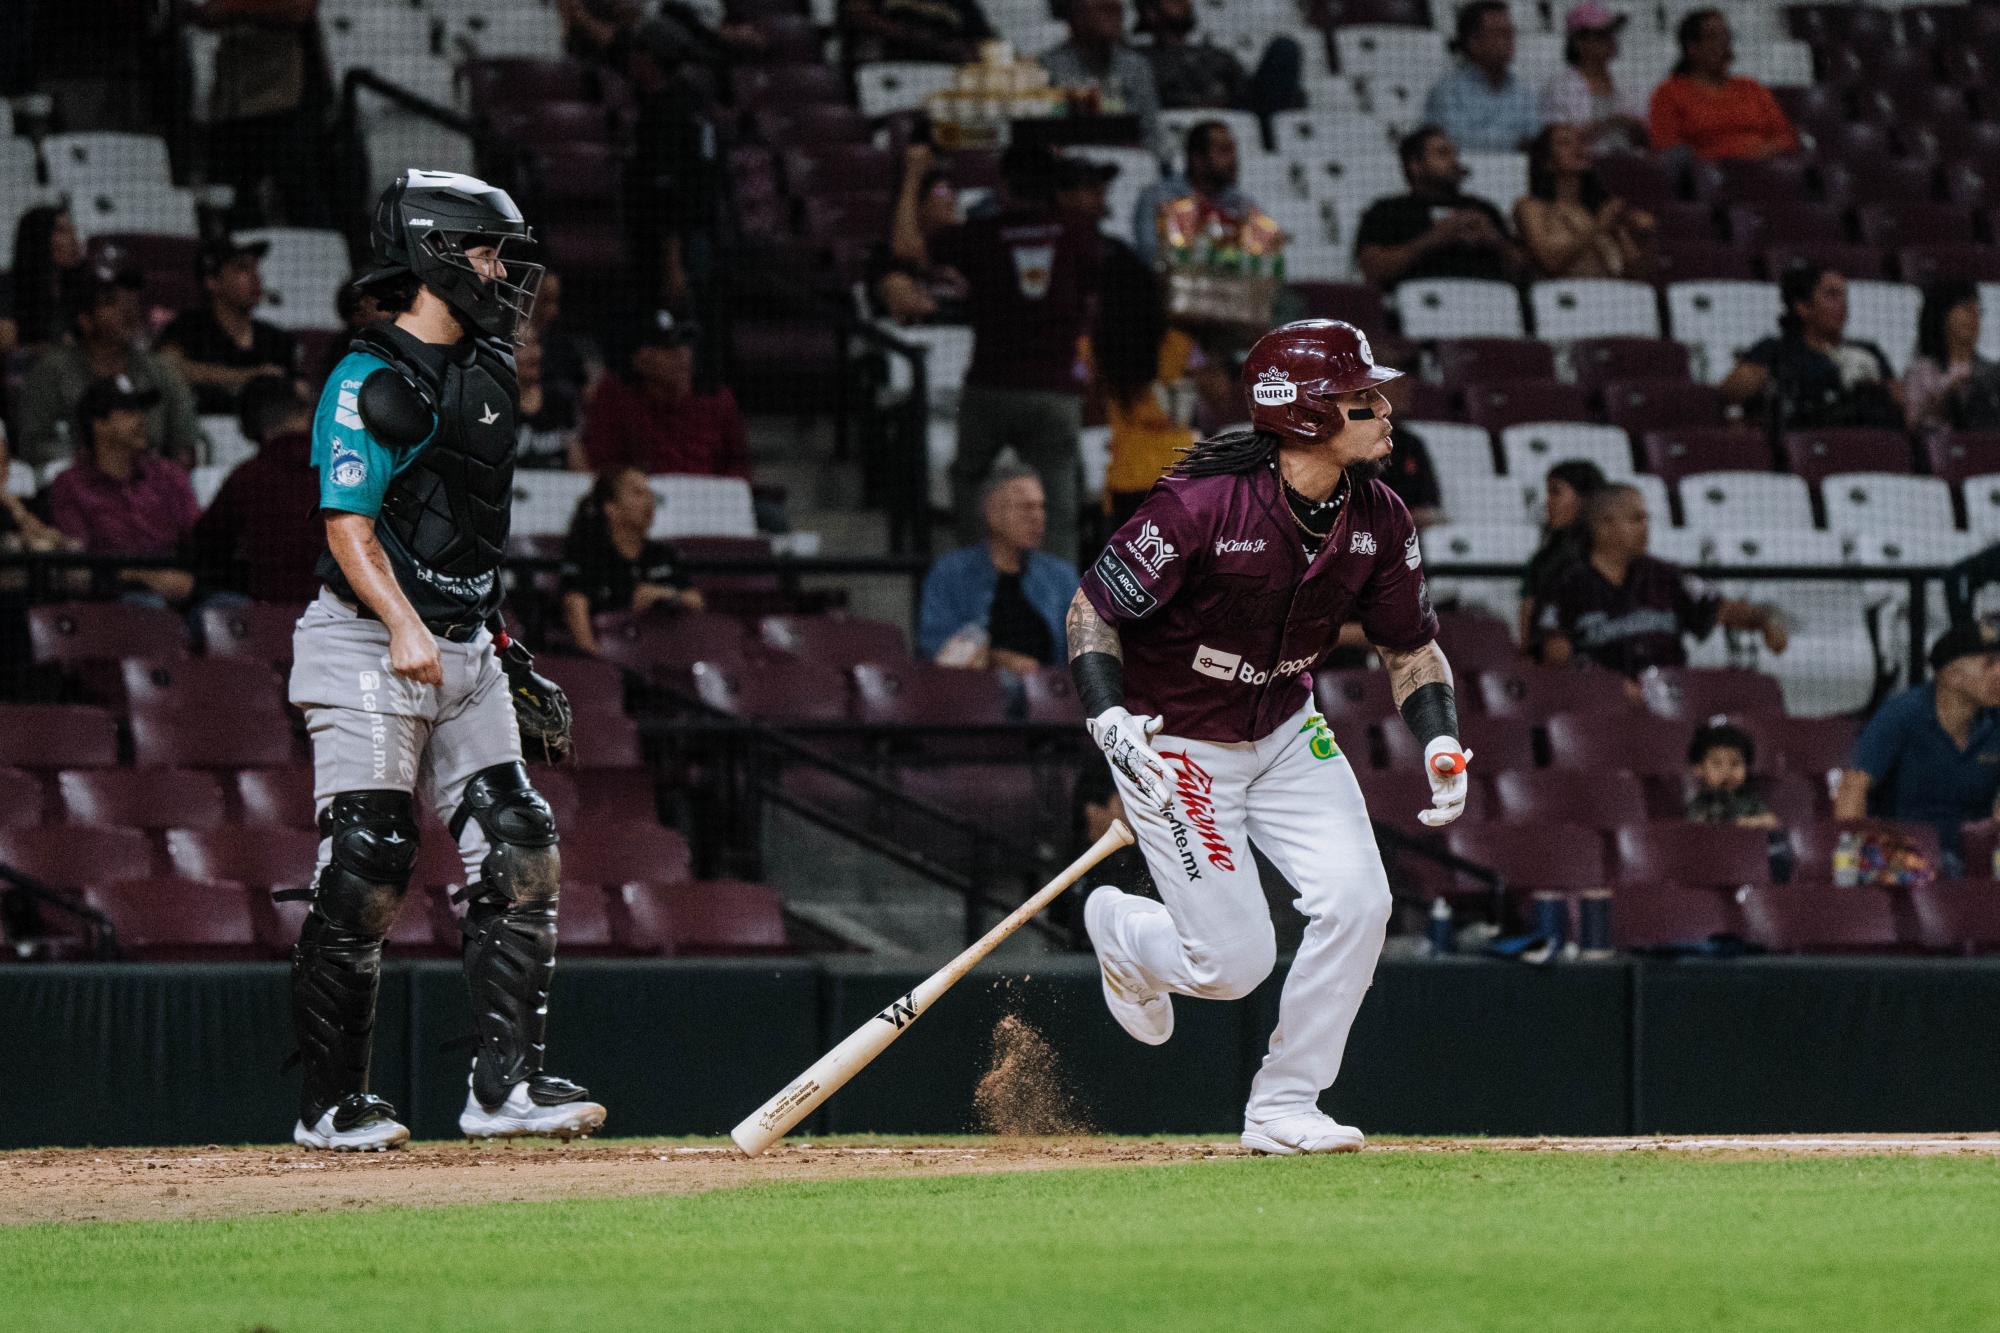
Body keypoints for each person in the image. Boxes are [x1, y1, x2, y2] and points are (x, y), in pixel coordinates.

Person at [1067, 319, 1468, 1155]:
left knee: (1362, 902)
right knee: (1231, 966)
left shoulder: (1380, 516)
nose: (1386, 408)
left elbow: (1410, 645)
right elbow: (1092, 610)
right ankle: (1120, 928)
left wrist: (1439, 739)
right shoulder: (1199, 504)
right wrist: (1107, 715)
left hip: (1288, 729)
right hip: (1174, 743)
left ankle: (1285, 1103)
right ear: (1312, 415)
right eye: (1366, 397)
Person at [287, 168, 602, 1151]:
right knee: (371, 859)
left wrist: (500, 646)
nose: (501, 271)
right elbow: (348, 528)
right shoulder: (367, 377)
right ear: (429, 255)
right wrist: (404, 625)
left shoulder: (490, 373)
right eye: (483, 251)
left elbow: (463, 538)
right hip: (363, 644)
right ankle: (330, 1106)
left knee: (520, 838)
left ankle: (502, 1091)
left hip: (463, 644)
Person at [908, 141, 1100, 563]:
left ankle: (981, 574)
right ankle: (1057, 599)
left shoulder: (983, 235)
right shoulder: (1077, 233)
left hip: (991, 387)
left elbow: (912, 250)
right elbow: (1095, 298)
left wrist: (912, 177)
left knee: (970, 477)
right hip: (1054, 389)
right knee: (1058, 498)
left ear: (1004, 185)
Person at [1539, 483, 1787, 677]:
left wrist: (1765, 621)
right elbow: (1556, 656)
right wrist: (1610, 688)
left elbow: (1724, 608)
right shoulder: (1568, 585)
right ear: (1605, 527)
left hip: (1670, 698)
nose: (1646, 527)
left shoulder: (1668, 576)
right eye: (1637, 519)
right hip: (1604, 709)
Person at [1087, 245, 1234, 523]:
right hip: (1180, 474)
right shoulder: (1178, 345)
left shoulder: (1097, 351)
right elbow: (1220, 395)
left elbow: (1088, 402)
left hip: (1125, 477)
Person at [1836, 621, 2000, 858]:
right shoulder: (1901, 715)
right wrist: (1857, 860)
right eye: (1990, 664)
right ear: (1954, 677)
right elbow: (1853, 786)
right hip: (1907, 858)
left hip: (1975, 858)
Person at [15, 265, 202, 466]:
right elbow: (32, 443)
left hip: (150, 485)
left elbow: (186, 442)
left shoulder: (159, 369)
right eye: (110, 303)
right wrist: (103, 460)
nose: (127, 310)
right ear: (85, 320)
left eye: (130, 299)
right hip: (76, 484)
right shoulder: (52, 371)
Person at [46, 374, 202, 606]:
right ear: (99, 424)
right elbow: (79, 567)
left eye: (141, 411)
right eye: (129, 412)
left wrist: (191, 575)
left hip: (181, 587)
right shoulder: (71, 486)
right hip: (114, 597)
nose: (141, 419)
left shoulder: (168, 474)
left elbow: (200, 535)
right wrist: (146, 577)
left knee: (232, 608)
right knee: (148, 607)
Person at [918, 463, 1078, 670]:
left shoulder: (1060, 577)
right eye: (1025, 507)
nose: (1038, 517)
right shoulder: (952, 572)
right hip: (976, 692)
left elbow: (1083, 653)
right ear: (992, 513)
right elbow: (934, 646)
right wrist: (998, 660)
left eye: (1041, 507)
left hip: (1048, 694)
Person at [192, 0, 332, 227]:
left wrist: (232, 8)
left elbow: (299, 9)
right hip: (233, 103)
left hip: (283, 100)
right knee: (231, 208)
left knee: (301, 202)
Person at [187, 375, 322, 605]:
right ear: (305, 414)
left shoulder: (248, 478)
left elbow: (204, 547)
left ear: (249, 428)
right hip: (347, 615)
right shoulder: (345, 469)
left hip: (272, 618)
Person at [1721, 265, 1903, 432]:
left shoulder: (1867, 351)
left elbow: (1899, 400)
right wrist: (1761, 376)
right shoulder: (1776, 349)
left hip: (1866, 436)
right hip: (1808, 435)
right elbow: (1731, 391)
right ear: (1802, 307)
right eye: (1831, 295)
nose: (1842, 304)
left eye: (1843, 296)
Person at [580, 309, 750, 478]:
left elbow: (740, 467)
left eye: (685, 344)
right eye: (667, 347)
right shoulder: (617, 398)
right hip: (643, 499)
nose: (681, 354)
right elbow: (603, 466)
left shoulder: (716, 398)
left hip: (708, 500)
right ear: (640, 359)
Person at [1354, 126, 1521, 290]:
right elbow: (1372, 269)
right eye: (1442, 153)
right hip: (1421, 307)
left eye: (1454, 153)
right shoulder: (1388, 211)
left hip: (1487, 305)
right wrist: (1434, 238)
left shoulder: (1482, 209)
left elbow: (1524, 272)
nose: (1454, 160)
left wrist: (1495, 241)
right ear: (1416, 166)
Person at [558, 467, 702, 655]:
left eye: (650, 493)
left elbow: (696, 601)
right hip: (609, 657)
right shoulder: (587, 553)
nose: (649, 501)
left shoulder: (664, 554)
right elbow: (574, 605)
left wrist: (664, 593)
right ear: (611, 509)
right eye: (638, 493)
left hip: (663, 654)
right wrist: (598, 662)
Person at [155, 236, 300, 415]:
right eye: (242, 269)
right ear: (212, 282)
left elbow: (299, 389)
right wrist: (250, 377)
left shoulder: (276, 339)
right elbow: (165, 368)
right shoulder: (189, 327)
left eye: (256, 268)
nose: (256, 277)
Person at [1648, 7, 1797, 162]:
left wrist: (1768, 150)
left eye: (1727, 36)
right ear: (1692, 48)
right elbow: (1670, 151)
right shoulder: (1669, 93)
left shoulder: (1751, 87)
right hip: (1711, 178)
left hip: (1768, 170)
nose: (1724, 43)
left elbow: (1786, 136)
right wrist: (1738, 157)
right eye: (1714, 37)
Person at [1515, 124, 1654, 280]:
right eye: (1565, 143)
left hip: (1613, 296)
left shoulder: (1598, 209)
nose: (1577, 147)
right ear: (1546, 162)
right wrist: (1597, 227)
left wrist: (1641, 237)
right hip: (1565, 298)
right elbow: (1550, 262)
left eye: (1581, 141)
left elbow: (1637, 276)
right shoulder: (1531, 207)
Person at [1134, 0, 1302, 119]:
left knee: (1284, 49)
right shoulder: (1142, 60)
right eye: (1175, 1)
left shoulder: (1215, 54)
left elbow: (1246, 92)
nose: (1186, 4)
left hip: (1243, 115)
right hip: (1189, 123)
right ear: (1151, 12)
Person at [1131, 119, 1261, 267]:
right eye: (1224, 150)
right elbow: (1150, 255)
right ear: (1197, 159)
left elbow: (1262, 255)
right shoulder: (1158, 197)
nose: (1233, 160)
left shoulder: (1241, 203)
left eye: (1233, 150)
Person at [1040, 0, 1164, 155]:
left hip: (1132, 166)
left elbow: (1152, 134)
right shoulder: (1047, 69)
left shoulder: (1136, 67)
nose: (1113, 14)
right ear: (1074, 14)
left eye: (1116, 8)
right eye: (1103, 8)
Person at [1423, 1, 1540, 155]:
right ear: (1473, 42)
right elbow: (1453, 142)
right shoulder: (1448, 92)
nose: (1510, 40)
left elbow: (1537, 139)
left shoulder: (1523, 92)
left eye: (1510, 32)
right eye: (1500, 33)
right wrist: (1514, 142)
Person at [875, 145, 970, 324]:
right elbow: (907, 255)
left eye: (952, 190)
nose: (951, 197)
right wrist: (913, 174)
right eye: (941, 191)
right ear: (917, 205)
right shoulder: (889, 262)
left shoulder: (962, 249)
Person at [1519, 458, 1606, 654]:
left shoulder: (1611, 555)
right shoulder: (1542, 561)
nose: (1548, 502)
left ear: (1585, 499)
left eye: (1556, 492)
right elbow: (1527, 623)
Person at [1538, 1, 1647, 153]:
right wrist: (1612, 122)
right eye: (1601, 34)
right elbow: (1558, 142)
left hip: (1627, 164)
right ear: (1578, 41)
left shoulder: (1627, 83)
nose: (1610, 39)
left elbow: (1646, 137)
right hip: (1586, 168)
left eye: (1611, 32)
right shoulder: (1560, 88)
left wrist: (1637, 129)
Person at [1906, 280, 2000, 432]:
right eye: (1966, 308)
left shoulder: (1992, 372)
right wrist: (1945, 401)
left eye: (1978, 309)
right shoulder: (1921, 371)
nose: (1974, 316)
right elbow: (1911, 426)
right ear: (1943, 313)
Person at [0, 205, 89, 356]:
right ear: (40, 239)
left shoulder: (78, 286)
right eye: (63, 231)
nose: (74, 239)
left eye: (73, 231)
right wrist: (59, 348)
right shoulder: (9, 285)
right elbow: (6, 346)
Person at [1375, 371, 1442, 528]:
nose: (1407, 390)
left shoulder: (1412, 443)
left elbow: (1428, 503)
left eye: (1407, 383)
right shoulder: (1346, 443)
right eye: (1398, 384)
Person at [1684, 721, 1778, 829]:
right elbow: (1693, 830)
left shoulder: (1749, 799)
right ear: (1699, 769)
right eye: (1717, 764)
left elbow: (1772, 821)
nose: (1727, 771)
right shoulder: (1700, 802)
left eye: (1735, 763)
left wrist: (1754, 822)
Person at [839, 0, 993, 64]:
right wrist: (911, 35)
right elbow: (856, 17)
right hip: (886, 69)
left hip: (945, 76)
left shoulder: (960, 3)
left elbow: (986, 41)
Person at [513, 330, 583, 470]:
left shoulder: (560, 398)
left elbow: (578, 468)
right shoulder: (492, 404)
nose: (534, 353)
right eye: (522, 345)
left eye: (535, 343)